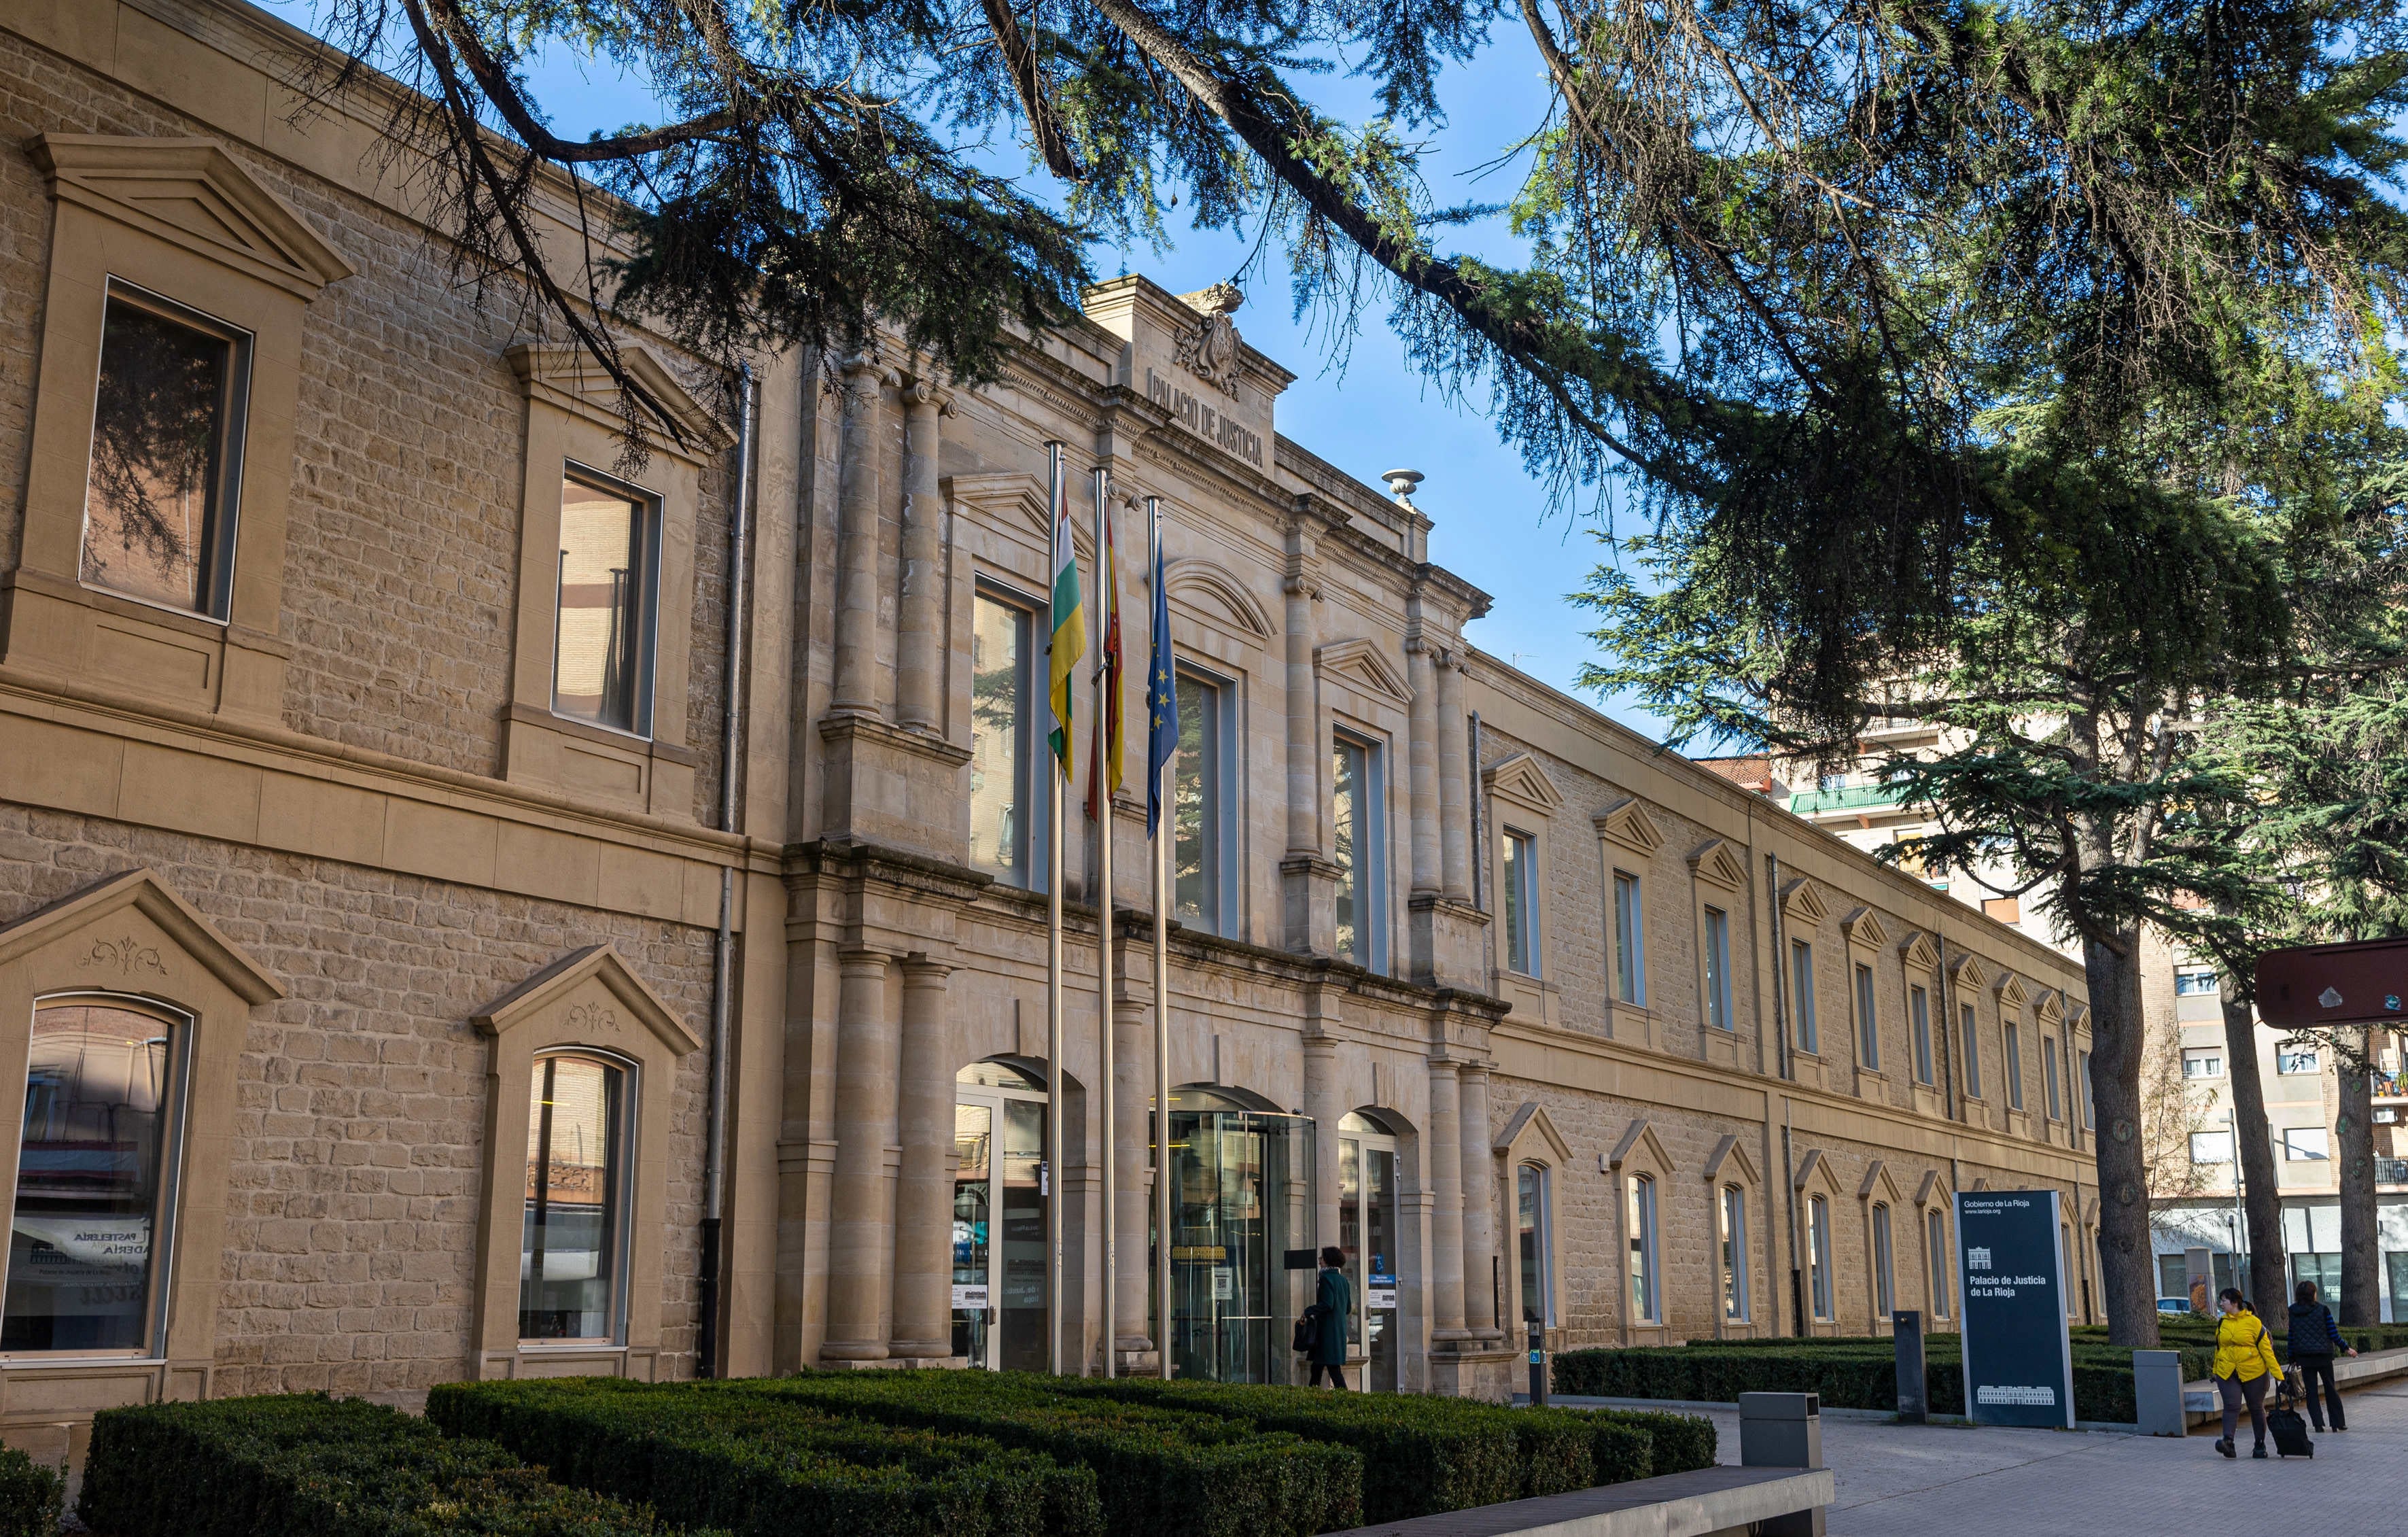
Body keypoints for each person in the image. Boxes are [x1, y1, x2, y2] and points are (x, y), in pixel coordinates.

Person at [2210, 1288, 2286, 1458]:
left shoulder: (2254, 1323)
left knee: (2256, 1407)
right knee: (2231, 1405)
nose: (2221, 1303)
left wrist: (2280, 1377)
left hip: (2254, 1372)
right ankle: (2228, 1442)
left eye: (2224, 1300)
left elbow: (2267, 1352)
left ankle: (2260, 1445)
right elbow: (2219, 1349)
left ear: (2235, 1303)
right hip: (2227, 1371)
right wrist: (2215, 1371)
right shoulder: (2222, 1323)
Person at [2285, 1280, 2358, 1433]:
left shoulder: (2293, 1311)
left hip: (2304, 1357)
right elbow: (2333, 1333)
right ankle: (2337, 1423)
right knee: (2330, 1388)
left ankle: (2318, 1424)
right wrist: (2346, 1348)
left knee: (2311, 1392)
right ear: (2314, 1294)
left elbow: (2291, 1335)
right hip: (2323, 1355)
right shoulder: (2323, 1310)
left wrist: (2291, 1356)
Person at [1308, 1245, 1353, 1389]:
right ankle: (1310, 1399)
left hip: (1327, 1333)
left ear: (1328, 1261)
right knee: (1317, 1368)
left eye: (1321, 1258)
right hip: (1337, 1332)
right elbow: (1348, 1309)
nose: (1319, 1261)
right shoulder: (1343, 1281)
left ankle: (1345, 1401)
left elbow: (1327, 1304)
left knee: (1332, 1371)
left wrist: (1309, 1311)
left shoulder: (1326, 1279)